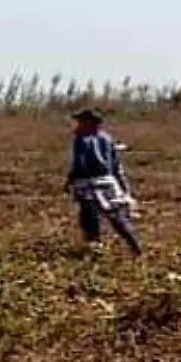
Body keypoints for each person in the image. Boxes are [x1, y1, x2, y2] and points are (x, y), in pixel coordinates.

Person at [67, 108, 143, 256]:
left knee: (89, 216)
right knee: (117, 216)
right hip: (109, 181)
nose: (78, 124)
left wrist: (70, 181)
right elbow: (116, 166)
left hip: (88, 182)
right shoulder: (107, 139)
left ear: (89, 122)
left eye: (81, 121)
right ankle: (135, 247)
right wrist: (123, 187)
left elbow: (79, 164)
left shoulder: (81, 139)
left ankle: (94, 248)